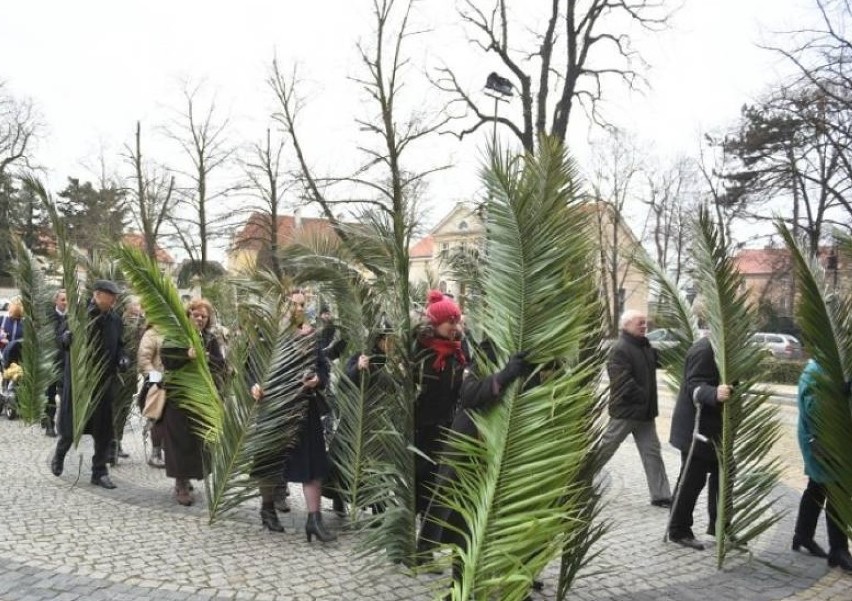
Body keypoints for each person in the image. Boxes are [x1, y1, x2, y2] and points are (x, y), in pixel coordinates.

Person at [249, 323, 337, 542]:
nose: (299, 307)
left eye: (301, 303)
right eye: (294, 303)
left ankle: (314, 520)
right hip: (274, 408)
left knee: (313, 463)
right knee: (269, 462)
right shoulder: (268, 334)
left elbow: (322, 368)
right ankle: (267, 509)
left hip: (305, 409)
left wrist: (318, 379)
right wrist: (254, 386)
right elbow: (251, 369)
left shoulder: (310, 336)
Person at [50, 280, 129, 490]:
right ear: (97, 294)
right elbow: (59, 339)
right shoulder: (78, 314)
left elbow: (120, 345)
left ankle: (99, 472)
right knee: (70, 427)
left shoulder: (115, 319)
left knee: (103, 431)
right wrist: (66, 338)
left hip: (103, 384)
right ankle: (59, 455)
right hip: (79, 383)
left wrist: (123, 359)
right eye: (111, 295)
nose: (115, 299)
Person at [598, 310, 672, 507]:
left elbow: (663, 360)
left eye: (645, 323)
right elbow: (622, 381)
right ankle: (578, 483)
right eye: (640, 323)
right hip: (627, 412)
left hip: (645, 414)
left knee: (652, 452)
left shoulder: (645, 345)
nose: (644, 326)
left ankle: (661, 495)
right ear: (627, 325)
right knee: (606, 448)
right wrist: (642, 396)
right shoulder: (620, 349)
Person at [667, 336, 732, 550]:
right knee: (692, 480)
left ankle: (720, 525)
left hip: (714, 430)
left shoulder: (725, 346)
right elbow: (692, 385)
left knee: (725, 473)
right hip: (695, 431)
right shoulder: (704, 349)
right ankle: (678, 530)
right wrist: (714, 393)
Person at [160, 298, 226, 506]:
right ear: (188, 315)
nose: (199, 319)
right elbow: (166, 359)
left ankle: (190, 476)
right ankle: (181, 483)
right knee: (179, 442)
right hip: (178, 400)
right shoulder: (176, 336)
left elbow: (221, 365)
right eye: (195, 314)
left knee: (199, 442)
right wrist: (185, 356)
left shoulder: (209, 339)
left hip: (201, 400)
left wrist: (207, 359)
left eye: (203, 316)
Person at [791, 359, 852, 572]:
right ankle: (839, 550)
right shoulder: (815, 369)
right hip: (819, 441)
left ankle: (802, 535)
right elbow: (813, 408)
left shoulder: (842, 365)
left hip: (835, 441)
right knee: (837, 490)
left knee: (817, 487)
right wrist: (836, 393)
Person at [412, 290, 467, 514]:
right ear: (435, 323)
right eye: (449, 322)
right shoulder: (419, 347)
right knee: (419, 472)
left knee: (439, 473)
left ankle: (430, 518)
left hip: (445, 422)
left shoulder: (458, 350)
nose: (454, 327)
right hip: (419, 423)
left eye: (456, 321)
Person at [110, 296, 146, 464]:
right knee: (117, 410)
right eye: (136, 304)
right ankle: (113, 444)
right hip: (121, 372)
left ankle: (118, 442)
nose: (139, 307)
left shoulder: (141, 321)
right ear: (128, 307)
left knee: (124, 410)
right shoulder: (122, 322)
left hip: (131, 374)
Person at [136, 324, 166, 468]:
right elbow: (144, 360)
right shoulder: (152, 333)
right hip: (157, 383)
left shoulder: (175, 329)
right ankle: (155, 454)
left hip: (173, 382)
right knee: (156, 417)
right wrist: (156, 378)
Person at [44, 289, 68, 438]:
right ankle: (49, 424)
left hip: (66, 362)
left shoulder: (71, 317)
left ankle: (64, 424)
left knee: (66, 393)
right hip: (51, 362)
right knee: (50, 394)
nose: (65, 303)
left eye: (67, 300)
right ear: (56, 301)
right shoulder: (49, 318)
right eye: (63, 299)